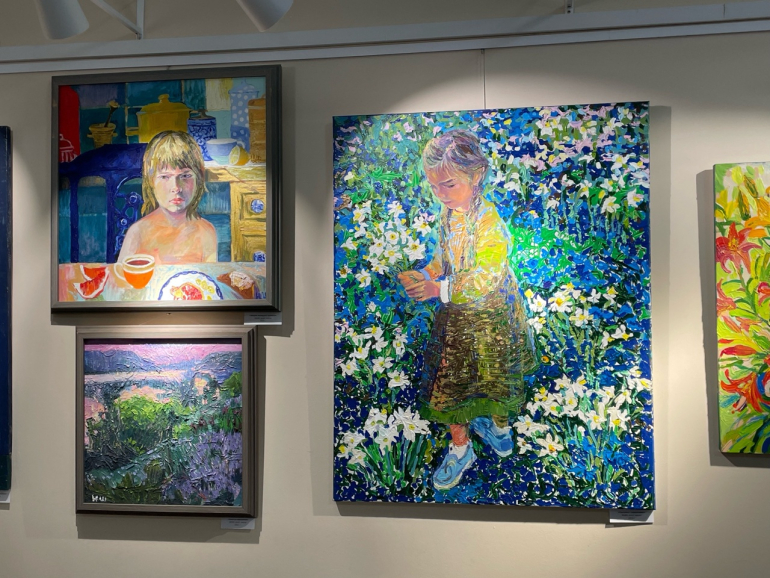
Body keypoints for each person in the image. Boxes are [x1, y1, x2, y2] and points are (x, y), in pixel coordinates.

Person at [398, 129, 538, 491]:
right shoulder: (447, 217)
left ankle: (499, 429)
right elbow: (442, 260)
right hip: (457, 320)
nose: (441, 194)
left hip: (493, 317)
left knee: (495, 376)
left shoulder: (489, 221)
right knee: (451, 383)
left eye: (448, 185)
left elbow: (486, 277)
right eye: (434, 187)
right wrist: (425, 275)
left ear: (476, 176)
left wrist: (439, 289)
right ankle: (461, 449)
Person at [118, 131, 217, 264]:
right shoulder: (138, 233)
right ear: (151, 181)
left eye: (185, 176)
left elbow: (209, 276)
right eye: (165, 177)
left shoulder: (206, 232)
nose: (176, 187)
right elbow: (120, 276)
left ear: (198, 179)